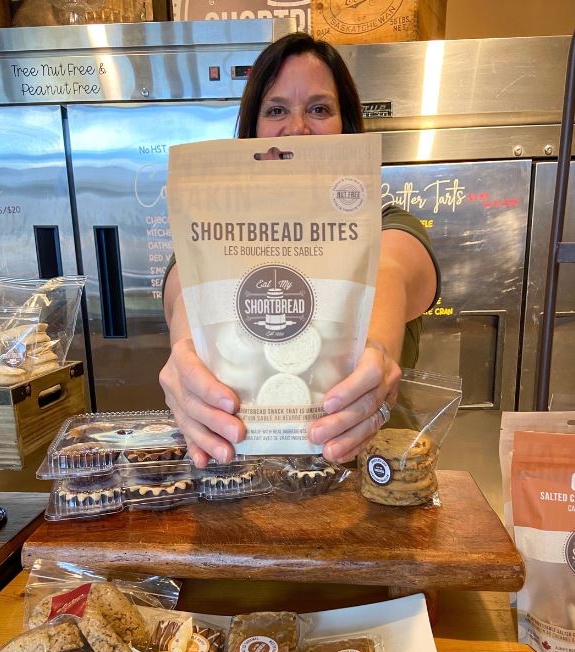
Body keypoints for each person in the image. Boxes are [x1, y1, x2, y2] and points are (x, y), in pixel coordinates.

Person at [160, 32, 440, 470]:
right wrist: (185, 363)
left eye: (319, 109)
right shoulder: (210, 239)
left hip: (371, 487)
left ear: (348, 125)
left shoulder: (390, 224)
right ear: (251, 132)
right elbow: (184, 294)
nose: (298, 129)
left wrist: (378, 352)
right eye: (276, 110)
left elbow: (388, 268)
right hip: (242, 487)